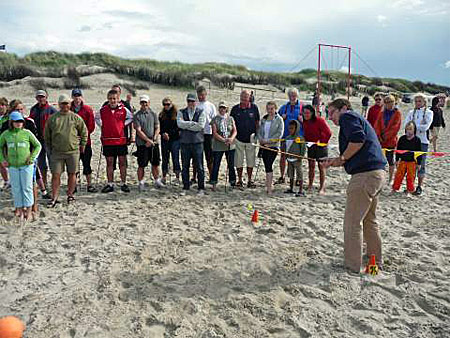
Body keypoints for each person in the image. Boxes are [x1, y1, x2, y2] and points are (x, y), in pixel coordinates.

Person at [323, 98, 387, 273]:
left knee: (352, 223)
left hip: (365, 176)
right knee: (369, 220)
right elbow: (358, 146)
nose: (331, 117)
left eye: (332, 112)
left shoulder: (348, 116)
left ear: (343, 108)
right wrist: (336, 161)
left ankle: (352, 266)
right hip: (377, 173)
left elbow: (358, 140)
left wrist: (342, 158)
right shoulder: (356, 118)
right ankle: (375, 261)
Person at [44, 94, 88, 206]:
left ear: (70, 104)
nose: (65, 106)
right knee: (55, 175)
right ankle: (54, 197)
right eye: (62, 103)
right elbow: (47, 135)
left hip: (72, 151)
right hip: (57, 152)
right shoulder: (53, 118)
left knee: (72, 174)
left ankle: (70, 195)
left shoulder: (75, 117)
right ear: (59, 104)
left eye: (67, 103)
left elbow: (84, 132)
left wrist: (82, 144)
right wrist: (50, 148)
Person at [0, 112, 41, 220]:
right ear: (11, 122)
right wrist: (3, 160)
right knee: (16, 188)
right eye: (16, 121)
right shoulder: (6, 134)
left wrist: (32, 158)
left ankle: (28, 210)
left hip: (26, 166)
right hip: (13, 166)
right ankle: (19, 209)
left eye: (20, 121)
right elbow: (0, 147)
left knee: (27, 188)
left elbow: (38, 146)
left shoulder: (27, 133)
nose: (19, 123)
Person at [96, 89, 133, 193]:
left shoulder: (124, 109)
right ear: (108, 99)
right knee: (109, 163)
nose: (112, 101)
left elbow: (131, 118)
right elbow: (96, 118)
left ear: (118, 99)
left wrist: (122, 125)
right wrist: (102, 126)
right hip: (107, 141)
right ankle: (110, 184)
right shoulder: (103, 110)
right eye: (110, 99)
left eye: (114, 99)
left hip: (121, 140)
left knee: (122, 162)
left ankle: (123, 183)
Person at [403, 94, 433, 196]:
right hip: (410, 140)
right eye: (416, 101)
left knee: (420, 165)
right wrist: (413, 128)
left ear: (424, 102)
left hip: (422, 141)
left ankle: (419, 186)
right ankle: (409, 186)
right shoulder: (411, 112)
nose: (417, 103)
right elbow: (406, 125)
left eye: (419, 101)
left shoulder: (429, 112)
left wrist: (413, 127)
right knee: (409, 163)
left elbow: (426, 127)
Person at [230, 90, 260, 189]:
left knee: (250, 160)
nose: (243, 99)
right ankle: (239, 180)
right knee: (238, 161)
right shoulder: (235, 109)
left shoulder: (254, 108)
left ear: (249, 98)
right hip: (238, 139)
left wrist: (257, 135)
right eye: (242, 97)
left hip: (251, 139)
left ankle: (250, 180)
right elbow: (231, 124)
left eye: (246, 97)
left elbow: (257, 122)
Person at [133, 95, 164, 192]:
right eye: (142, 102)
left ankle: (157, 180)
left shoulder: (153, 114)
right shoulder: (137, 115)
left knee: (155, 163)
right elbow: (138, 131)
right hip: (142, 144)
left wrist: (154, 138)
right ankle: (141, 182)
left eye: (146, 102)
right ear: (140, 103)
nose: (144, 104)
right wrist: (147, 140)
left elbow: (157, 127)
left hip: (154, 143)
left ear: (149, 103)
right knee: (142, 164)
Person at [177, 93, 206, 195]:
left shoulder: (201, 112)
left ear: (196, 102)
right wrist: (191, 123)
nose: (191, 103)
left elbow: (200, 126)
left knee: (199, 166)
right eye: (189, 101)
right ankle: (185, 187)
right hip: (185, 143)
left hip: (197, 143)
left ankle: (201, 188)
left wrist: (186, 125)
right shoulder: (181, 112)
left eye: (193, 101)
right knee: (185, 166)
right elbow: (179, 124)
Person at [29, 89, 57, 189]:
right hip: (37, 140)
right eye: (39, 97)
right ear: (36, 98)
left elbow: (57, 125)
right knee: (41, 164)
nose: (41, 99)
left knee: (52, 163)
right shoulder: (33, 109)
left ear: (46, 97)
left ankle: (54, 184)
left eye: (43, 97)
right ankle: (44, 184)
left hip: (49, 140)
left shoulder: (52, 110)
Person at [70, 89, 97, 193]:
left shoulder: (87, 109)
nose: (77, 98)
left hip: (86, 142)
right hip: (72, 142)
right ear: (72, 97)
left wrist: (82, 136)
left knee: (87, 164)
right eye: (75, 96)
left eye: (79, 96)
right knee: (74, 165)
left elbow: (91, 126)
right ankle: (74, 185)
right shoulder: (69, 109)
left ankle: (89, 185)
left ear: (81, 97)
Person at [302, 104, 332, 194]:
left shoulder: (319, 120)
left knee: (321, 167)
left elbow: (328, 133)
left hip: (321, 146)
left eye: (307, 113)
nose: (306, 115)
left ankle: (322, 187)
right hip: (310, 146)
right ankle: (310, 185)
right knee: (311, 166)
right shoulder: (304, 122)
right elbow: (306, 134)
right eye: (304, 113)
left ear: (312, 113)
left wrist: (322, 141)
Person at [277, 88, 303, 185]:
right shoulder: (284, 107)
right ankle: (282, 176)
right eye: (290, 95)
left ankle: (297, 178)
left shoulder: (302, 108)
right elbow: (276, 119)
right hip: (285, 136)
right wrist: (281, 118)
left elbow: (309, 122)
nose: (292, 97)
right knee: (283, 156)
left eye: (294, 95)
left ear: (297, 96)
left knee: (296, 158)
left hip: (298, 137)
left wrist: (302, 120)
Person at [374, 95, 402, 184]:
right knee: (379, 160)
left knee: (390, 160)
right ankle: (380, 177)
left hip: (390, 141)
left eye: (390, 102)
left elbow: (395, 127)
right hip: (380, 141)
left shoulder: (397, 113)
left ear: (394, 102)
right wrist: (379, 136)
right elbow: (377, 125)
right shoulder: (382, 113)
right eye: (386, 102)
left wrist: (385, 137)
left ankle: (390, 179)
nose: (388, 104)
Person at [258, 101, 284, 195]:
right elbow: (259, 131)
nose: (270, 111)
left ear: (275, 108)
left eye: (272, 109)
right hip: (263, 146)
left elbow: (279, 134)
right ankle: (269, 184)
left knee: (269, 164)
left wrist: (268, 141)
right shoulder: (264, 119)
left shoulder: (279, 119)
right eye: (268, 109)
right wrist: (261, 140)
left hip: (273, 146)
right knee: (266, 165)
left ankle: (269, 188)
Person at [210, 101, 237, 191]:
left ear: (226, 109)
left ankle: (232, 182)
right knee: (216, 164)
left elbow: (234, 130)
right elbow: (214, 133)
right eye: (221, 107)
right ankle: (213, 183)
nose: (222, 109)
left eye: (224, 108)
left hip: (230, 145)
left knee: (231, 164)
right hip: (218, 145)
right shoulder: (215, 119)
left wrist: (231, 139)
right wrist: (223, 140)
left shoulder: (231, 118)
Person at [391, 121, 422, 195]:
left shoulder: (417, 140)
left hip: (412, 162)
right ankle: (394, 189)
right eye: (407, 129)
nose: (409, 131)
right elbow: (398, 150)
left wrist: (419, 163)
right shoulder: (402, 139)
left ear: (414, 130)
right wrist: (397, 160)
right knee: (398, 175)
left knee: (410, 177)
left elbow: (419, 153)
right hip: (403, 161)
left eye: (411, 129)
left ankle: (409, 190)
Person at [196, 86, 217, 182]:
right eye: (199, 95)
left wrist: (214, 133)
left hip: (208, 134)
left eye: (203, 95)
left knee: (209, 156)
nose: (201, 97)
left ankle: (211, 176)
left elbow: (214, 120)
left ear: (206, 94)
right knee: (196, 156)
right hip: (197, 134)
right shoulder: (195, 105)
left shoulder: (211, 106)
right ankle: (195, 177)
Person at [159, 97, 181, 185]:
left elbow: (178, 128)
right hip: (164, 139)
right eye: (164, 104)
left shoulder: (177, 114)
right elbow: (160, 127)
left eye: (168, 104)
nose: (166, 106)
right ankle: (164, 177)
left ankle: (177, 177)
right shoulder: (161, 115)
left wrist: (169, 134)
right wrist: (163, 133)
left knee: (175, 158)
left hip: (175, 139)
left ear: (171, 104)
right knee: (165, 158)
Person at [284, 120, 306, 196]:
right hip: (289, 159)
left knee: (299, 174)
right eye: (289, 128)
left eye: (292, 128)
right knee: (290, 174)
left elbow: (303, 148)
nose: (290, 130)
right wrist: (285, 154)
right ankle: (291, 188)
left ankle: (300, 190)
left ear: (296, 129)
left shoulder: (300, 138)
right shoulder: (287, 138)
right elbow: (285, 147)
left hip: (297, 159)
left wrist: (301, 156)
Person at [0, 97, 10, 189]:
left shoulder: (10, 117)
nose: (1, 107)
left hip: (8, 143)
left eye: (3, 105)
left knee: (10, 162)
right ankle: (6, 181)